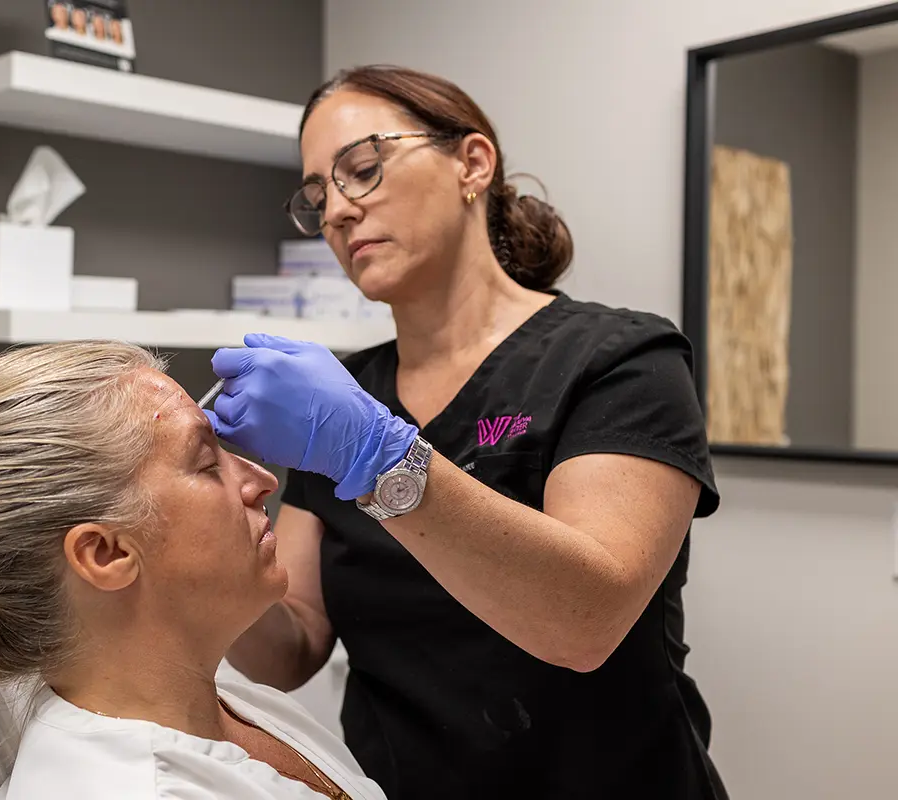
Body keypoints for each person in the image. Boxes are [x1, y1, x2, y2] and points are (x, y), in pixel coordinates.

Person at [210, 65, 728, 799]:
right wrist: (204, 552)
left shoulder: (620, 359)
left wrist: (378, 455)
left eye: (363, 169)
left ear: (472, 164)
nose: (337, 213)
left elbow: (588, 620)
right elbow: (293, 645)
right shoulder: (346, 395)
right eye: (318, 195)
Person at [0, 341, 386, 800]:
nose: (260, 481)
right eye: (207, 463)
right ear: (105, 554)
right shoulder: (138, 788)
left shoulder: (226, 705)